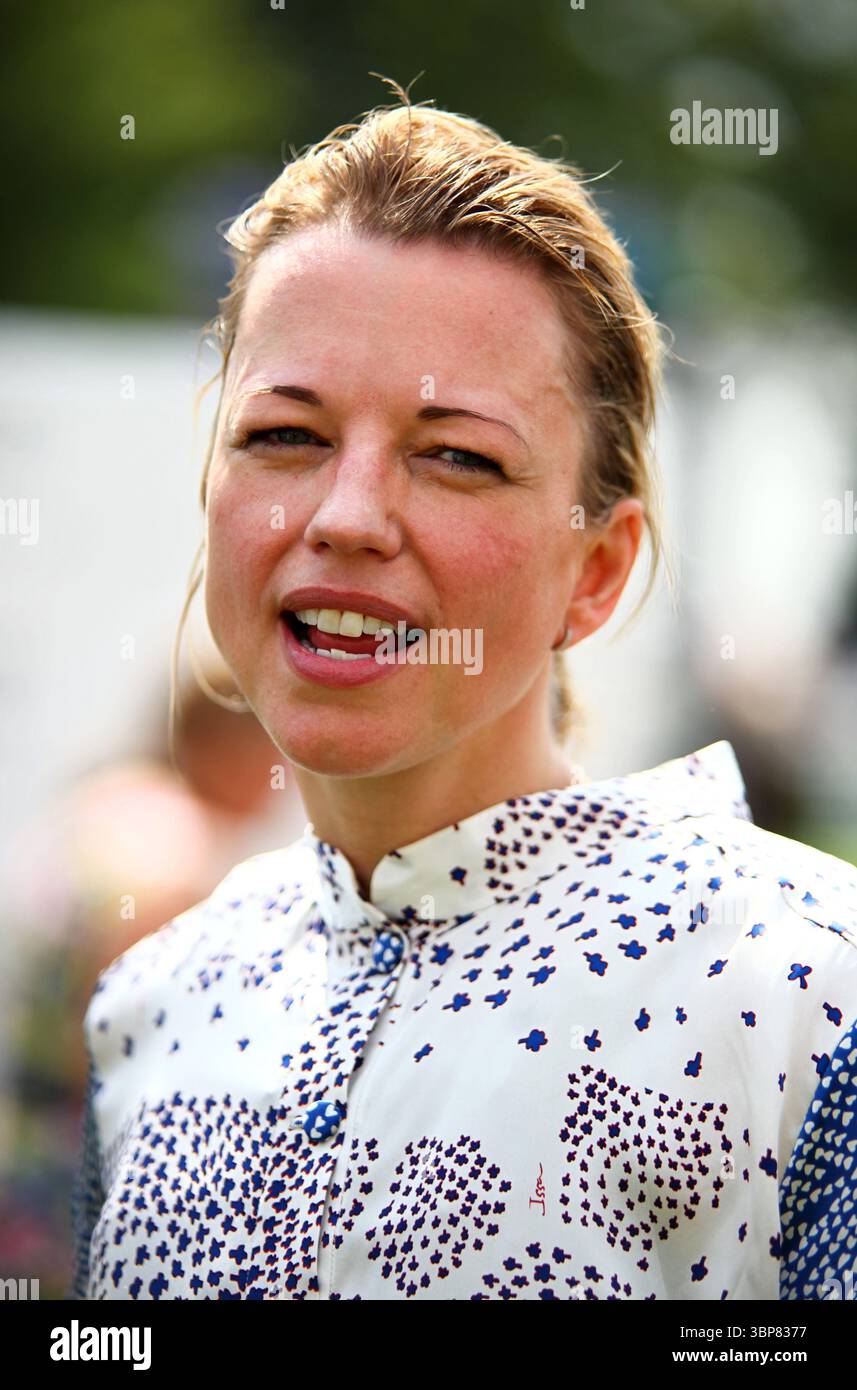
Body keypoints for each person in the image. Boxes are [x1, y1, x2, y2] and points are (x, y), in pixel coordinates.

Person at [68, 83, 857, 1302]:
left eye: (456, 457)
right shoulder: (154, 1008)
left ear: (593, 573)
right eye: (284, 434)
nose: (345, 517)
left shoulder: (801, 990)